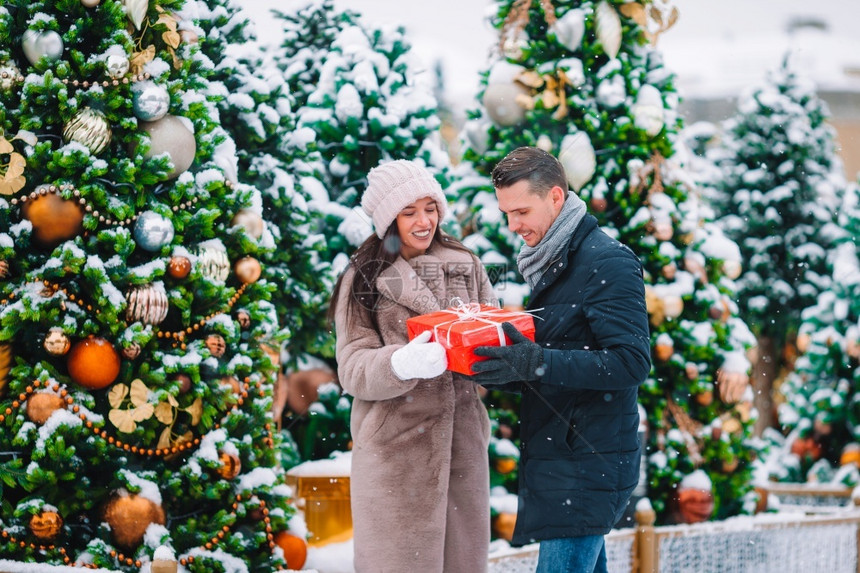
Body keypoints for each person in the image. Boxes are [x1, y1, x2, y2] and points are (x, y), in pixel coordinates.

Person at [470, 147, 651, 573]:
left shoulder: (606, 261)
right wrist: (506, 368)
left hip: (587, 464)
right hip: (563, 461)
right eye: (506, 213)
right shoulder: (554, 264)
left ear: (555, 197)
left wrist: (535, 364)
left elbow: (630, 363)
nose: (513, 226)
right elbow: (561, 359)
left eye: (521, 212)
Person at [329, 159, 496, 572]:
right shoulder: (364, 275)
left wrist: (493, 350)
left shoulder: (465, 263)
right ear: (388, 220)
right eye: (409, 212)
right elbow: (352, 367)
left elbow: (491, 326)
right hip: (396, 457)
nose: (424, 221)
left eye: (430, 208)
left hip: (462, 451)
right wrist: (401, 363)